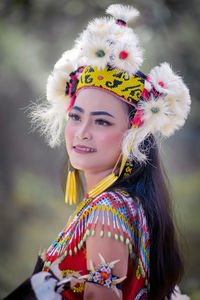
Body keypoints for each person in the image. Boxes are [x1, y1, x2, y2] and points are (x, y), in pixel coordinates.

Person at [4, 4, 191, 300]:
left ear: (133, 135)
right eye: (76, 117)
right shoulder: (130, 206)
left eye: (102, 121)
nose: (81, 132)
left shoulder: (106, 212)